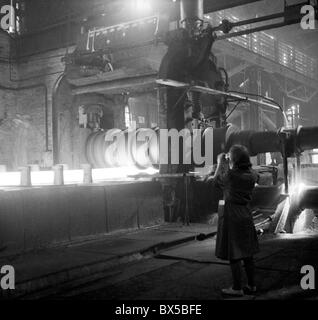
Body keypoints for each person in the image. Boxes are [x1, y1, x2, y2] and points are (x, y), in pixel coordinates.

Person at [206, 145, 259, 297]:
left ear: (234, 159)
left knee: (234, 252)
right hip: (246, 213)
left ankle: (237, 288)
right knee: (247, 253)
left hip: (232, 214)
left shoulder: (231, 176)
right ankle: (252, 285)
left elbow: (216, 181)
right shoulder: (252, 174)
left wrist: (221, 161)